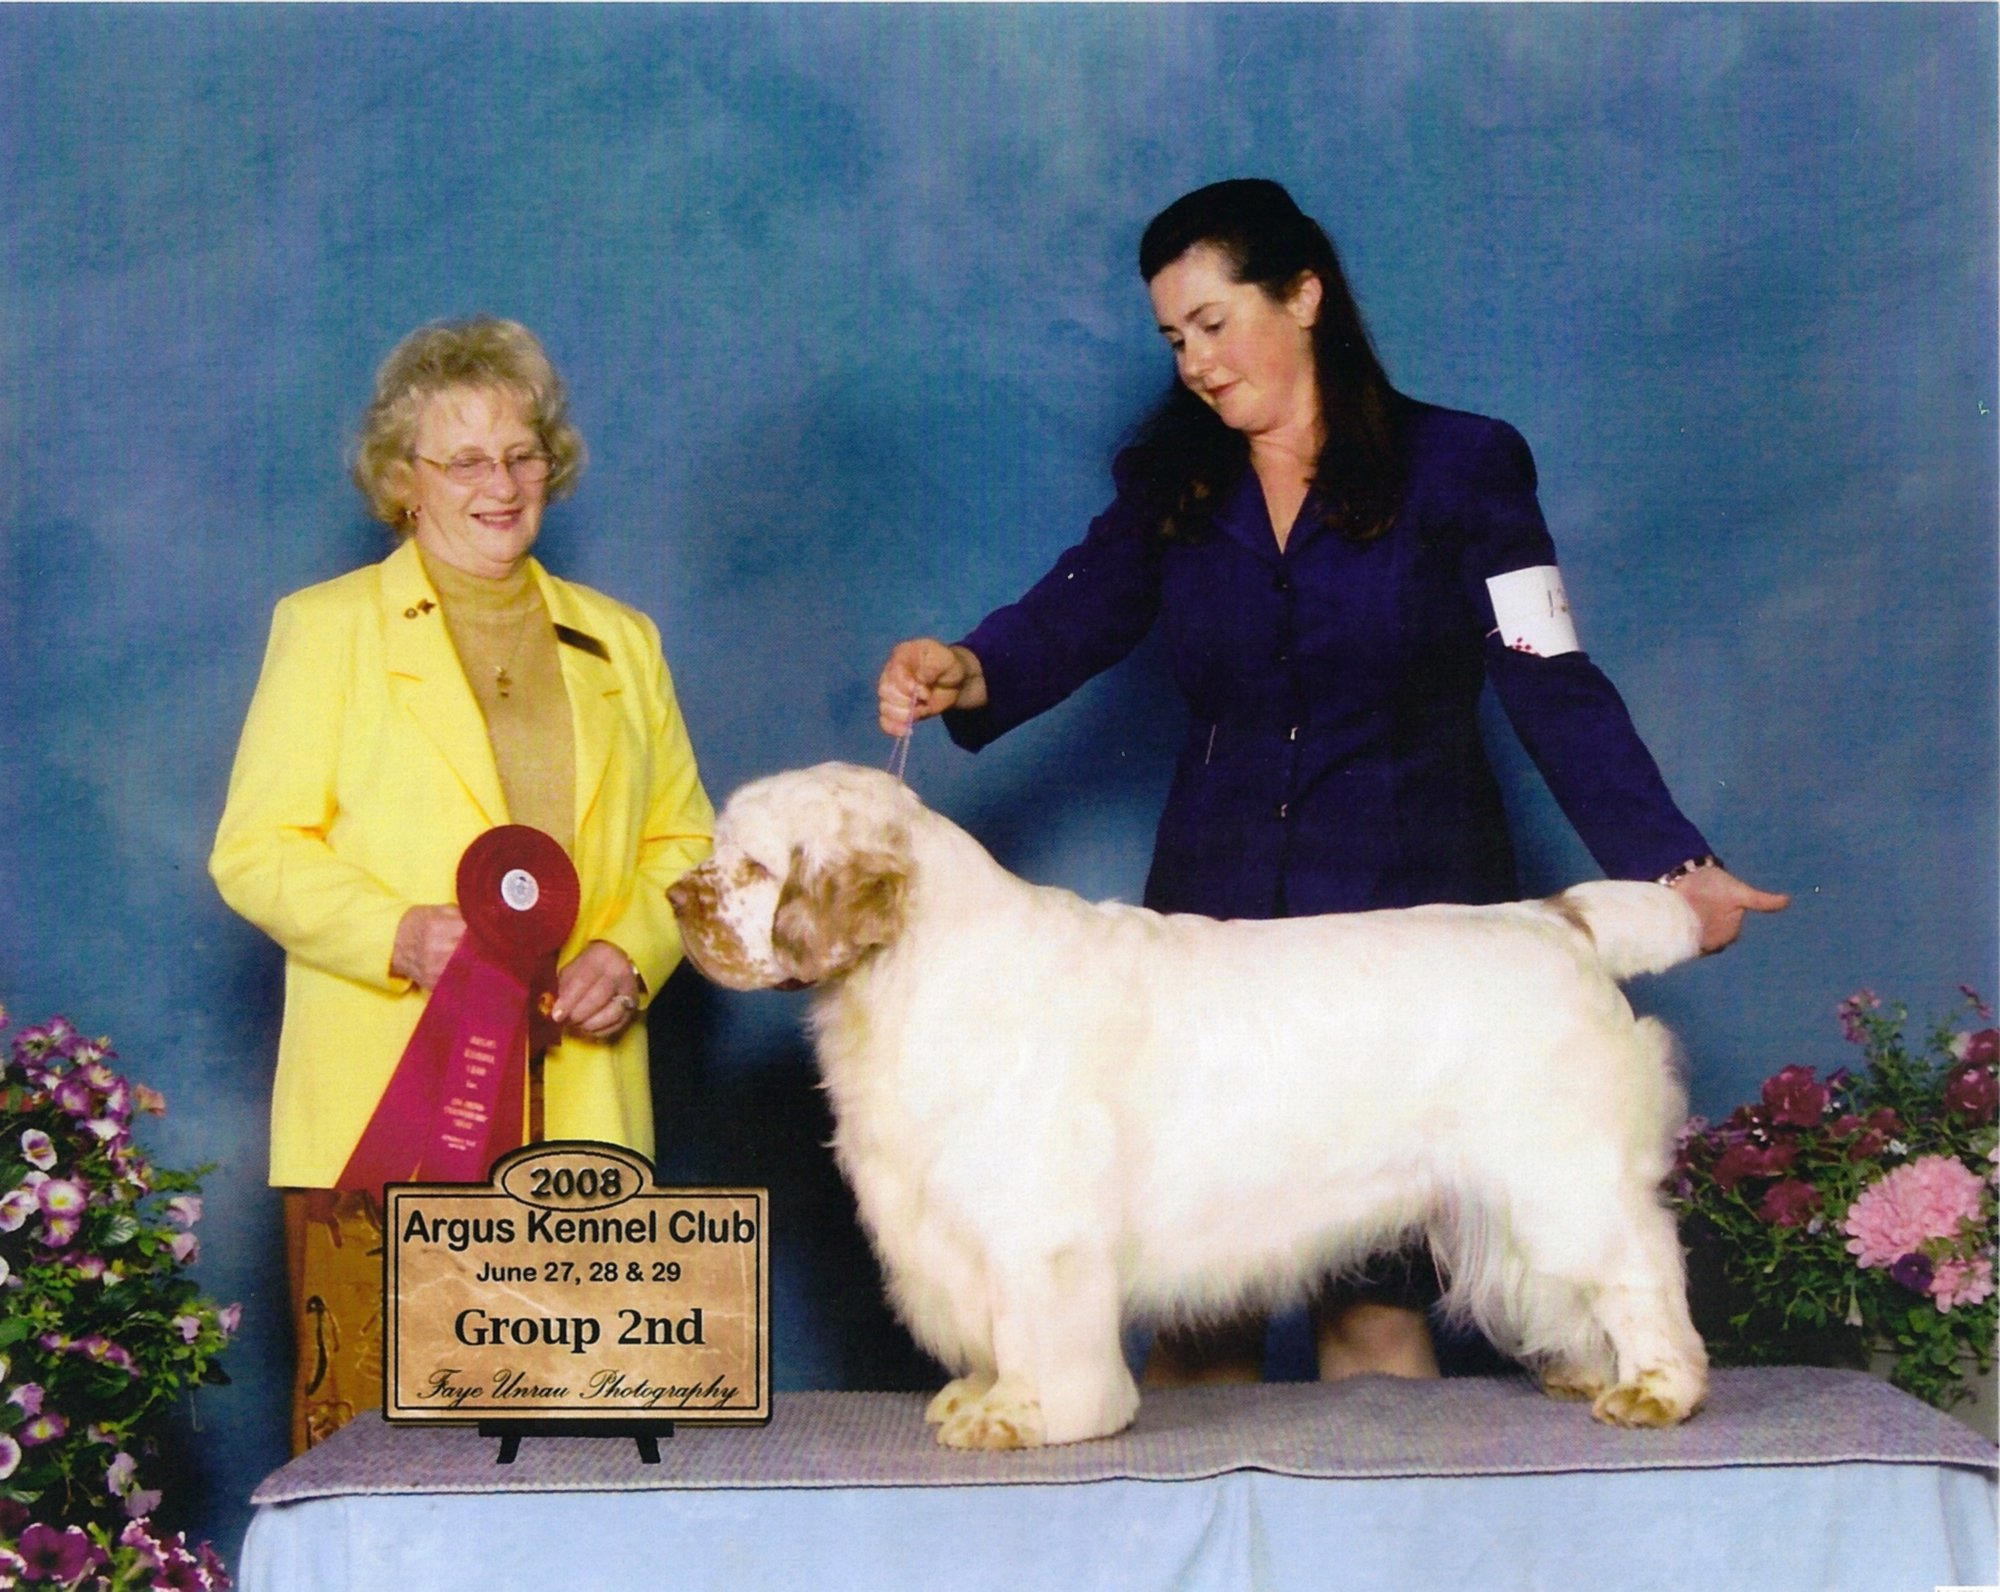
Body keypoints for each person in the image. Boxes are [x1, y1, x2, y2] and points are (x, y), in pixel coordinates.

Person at [877, 179, 1786, 1388]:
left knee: (1372, 1301)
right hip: (1212, 934)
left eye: (1212, 323)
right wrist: (968, 667)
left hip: (1405, 937)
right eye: (1172, 339)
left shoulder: (1460, 466)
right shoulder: (1169, 485)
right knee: (1198, 1303)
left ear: (1303, 294)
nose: (1195, 364)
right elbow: (1068, 617)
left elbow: (1547, 674)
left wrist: (1671, 861)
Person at [210, 317, 714, 1450]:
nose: (502, 484)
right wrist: (401, 934)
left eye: (523, 454)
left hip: (582, 1107)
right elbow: (257, 847)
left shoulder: (622, 640)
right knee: (369, 1448)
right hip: (378, 1115)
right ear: (404, 480)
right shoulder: (326, 629)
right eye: (466, 460)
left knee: (572, 1445)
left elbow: (684, 839)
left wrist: (631, 954)